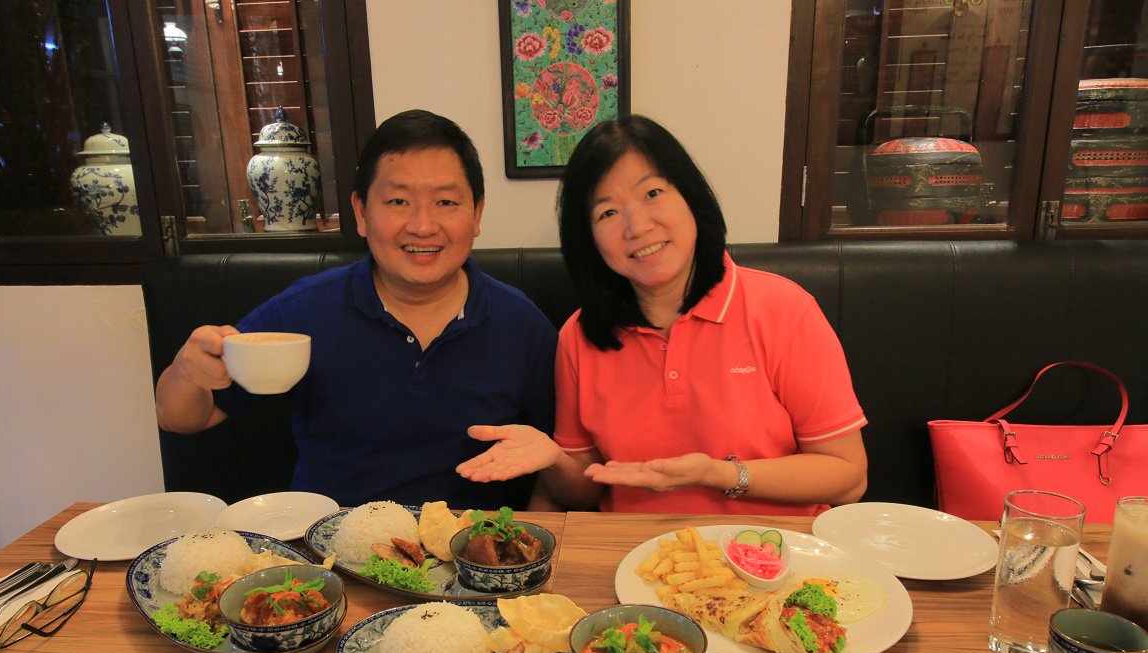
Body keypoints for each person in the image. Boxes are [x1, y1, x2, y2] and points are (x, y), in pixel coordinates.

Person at [457, 114, 867, 515]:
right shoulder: (580, 335)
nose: (637, 225)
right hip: (632, 565)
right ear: (589, 240)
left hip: (773, 562)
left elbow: (848, 476)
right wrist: (553, 460)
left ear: (691, 196)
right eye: (608, 213)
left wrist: (717, 474)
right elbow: (581, 492)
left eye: (652, 193)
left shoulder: (782, 309)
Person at [155, 110, 557, 509]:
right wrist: (188, 371)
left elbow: (561, 457)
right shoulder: (306, 309)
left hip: (464, 550)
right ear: (362, 213)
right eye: (398, 200)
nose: (422, 225)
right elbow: (182, 418)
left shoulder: (520, 324)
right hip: (328, 550)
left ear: (477, 214)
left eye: (445, 201)